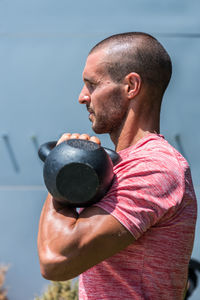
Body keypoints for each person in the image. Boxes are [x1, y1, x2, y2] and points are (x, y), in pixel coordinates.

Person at [37, 32, 197, 300]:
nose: (82, 97)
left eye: (92, 84)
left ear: (131, 86)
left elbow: (56, 259)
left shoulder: (155, 168)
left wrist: (62, 172)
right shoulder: (124, 165)